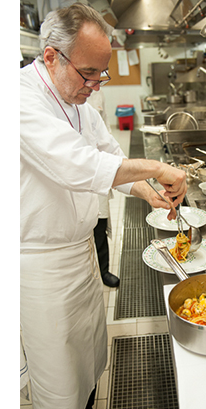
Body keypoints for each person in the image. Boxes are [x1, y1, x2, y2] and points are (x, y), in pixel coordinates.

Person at [21, 3, 187, 409]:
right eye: (88, 74)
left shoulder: (78, 101)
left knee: (89, 345)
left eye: (102, 76)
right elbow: (78, 166)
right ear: (52, 56)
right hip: (39, 263)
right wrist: (156, 166)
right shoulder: (19, 99)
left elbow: (107, 154)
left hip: (79, 251)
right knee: (56, 364)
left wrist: (147, 190)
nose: (95, 87)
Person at [88, 89, 120, 287]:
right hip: (73, 181)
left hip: (98, 171)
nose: (96, 85)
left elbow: (106, 132)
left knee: (99, 226)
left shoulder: (97, 95)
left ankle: (104, 270)